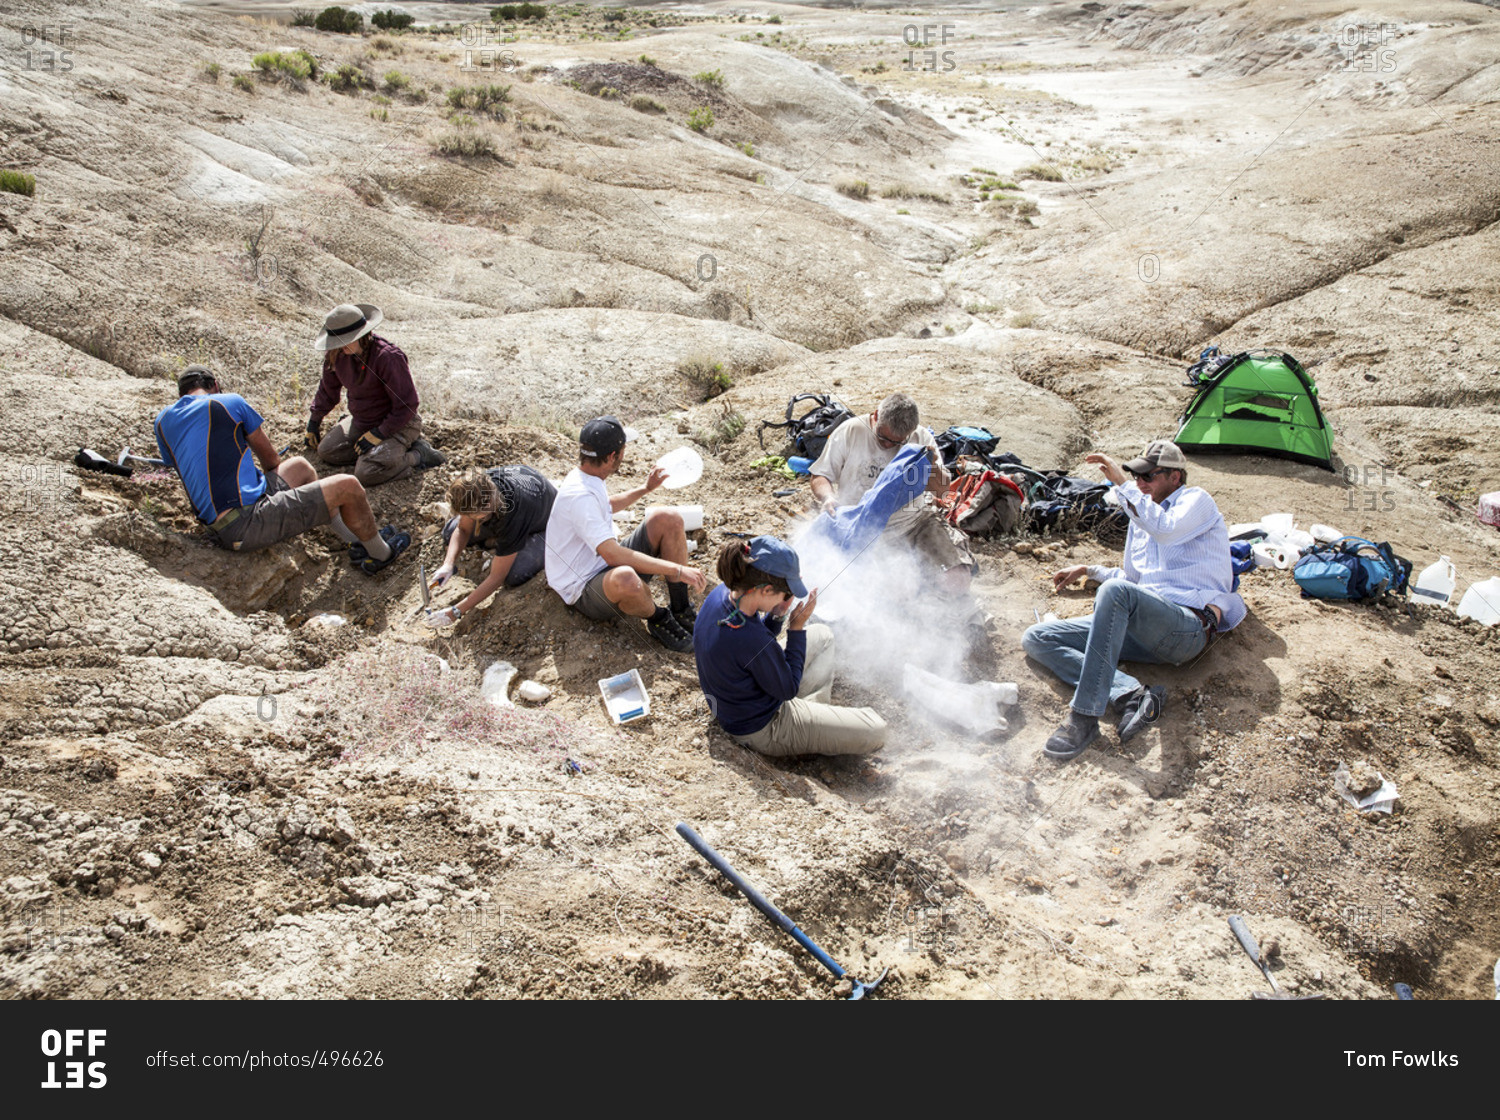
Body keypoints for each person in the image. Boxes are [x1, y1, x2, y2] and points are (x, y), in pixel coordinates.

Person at [1021, 440, 1245, 762]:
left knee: (1113, 594)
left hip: (1186, 629)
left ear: (1175, 478)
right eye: (1135, 476)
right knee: (1038, 638)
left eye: (1148, 476)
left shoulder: (1195, 501)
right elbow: (1137, 582)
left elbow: (1165, 531)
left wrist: (1122, 484)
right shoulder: (1142, 518)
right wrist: (1091, 570)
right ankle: (1131, 694)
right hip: (1146, 627)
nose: (1140, 483)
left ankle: (1083, 719)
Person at [154, 365, 410, 572]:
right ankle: (381, 554)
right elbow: (271, 462)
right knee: (349, 486)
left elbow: (183, 466)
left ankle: (355, 541)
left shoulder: (163, 421)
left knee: (300, 467)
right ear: (215, 386)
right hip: (244, 523)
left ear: (182, 395)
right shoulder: (227, 402)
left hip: (220, 519)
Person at [695, 537, 886, 757]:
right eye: (785, 594)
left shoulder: (723, 594)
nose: (787, 599)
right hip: (761, 727)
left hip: (736, 704)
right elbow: (788, 689)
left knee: (823, 636)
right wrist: (795, 628)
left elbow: (755, 646)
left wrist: (778, 615)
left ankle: (816, 719)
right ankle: (812, 729)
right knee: (876, 728)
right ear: (766, 590)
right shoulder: (750, 638)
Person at [544, 416, 707, 652]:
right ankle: (659, 617)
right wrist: (677, 569)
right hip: (583, 587)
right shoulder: (580, 497)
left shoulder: (588, 476)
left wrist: (645, 489)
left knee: (668, 518)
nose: (624, 455)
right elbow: (612, 555)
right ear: (612, 456)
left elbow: (606, 505)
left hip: (601, 565)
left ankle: (680, 608)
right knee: (627, 579)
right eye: (622, 450)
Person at [807, 392, 975, 596]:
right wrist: (828, 498)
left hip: (915, 522)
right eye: (883, 437)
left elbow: (943, 490)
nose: (888, 445)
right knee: (887, 591)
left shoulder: (920, 438)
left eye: (897, 443)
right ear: (876, 415)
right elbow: (819, 476)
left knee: (958, 581)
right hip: (863, 525)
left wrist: (929, 465)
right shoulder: (851, 430)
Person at [304, 303, 445, 486]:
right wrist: (314, 422)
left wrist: (379, 433)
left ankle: (418, 455)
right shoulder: (336, 355)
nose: (340, 347)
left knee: (366, 474)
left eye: (345, 341)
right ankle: (381, 454)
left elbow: (407, 404)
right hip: (362, 420)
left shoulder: (387, 357)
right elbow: (327, 391)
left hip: (398, 423)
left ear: (361, 335)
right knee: (328, 451)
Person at [425, 466, 556, 628]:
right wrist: (448, 564)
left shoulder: (512, 515)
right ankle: (499, 543)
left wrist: (455, 612)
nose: (467, 518)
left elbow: (497, 577)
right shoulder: (478, 485)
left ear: (486, 508)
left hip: (549, 521)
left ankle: (513, 543)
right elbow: (462, 529)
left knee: (514, 574)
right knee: (450, 532)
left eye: (473, 516)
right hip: (515, 501)